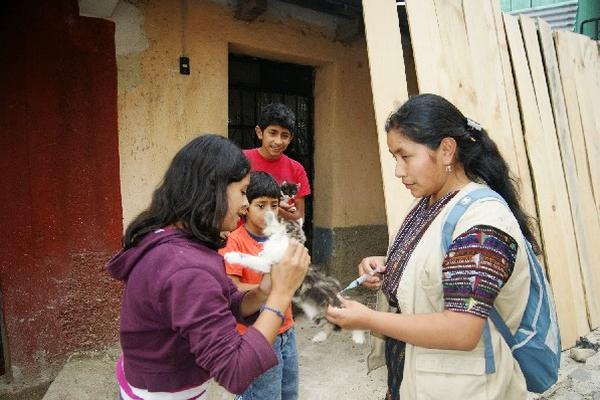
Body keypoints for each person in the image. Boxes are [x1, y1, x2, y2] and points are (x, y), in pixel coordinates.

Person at [326, 93, 538, 400]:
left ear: (447, 150)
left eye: (406, 156)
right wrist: (391, 265)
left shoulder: (483, 221)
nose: (398, 171)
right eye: (394, 158)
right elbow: (439, 263)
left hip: (464, 388)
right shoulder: (431, 202)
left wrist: (367, 318)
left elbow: (462, 330)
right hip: (414, 377)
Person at [106, 134, 310, 400]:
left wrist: (265, 290)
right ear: (212, 190)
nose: (245, 204)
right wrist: (282, 294)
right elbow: (236, 370)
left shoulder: (180, 242)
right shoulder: (185, 268)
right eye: (242, 192)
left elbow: (229, 301)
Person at [219, 171, 299, 400]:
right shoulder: (235, 240)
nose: (269, 213)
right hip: (255, 334)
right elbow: (231, 289)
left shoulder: (280, 237)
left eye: (274, 206)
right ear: (246, 207)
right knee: (262, 395)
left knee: (289, 392)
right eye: (261, 205)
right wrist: (268, 289)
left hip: (287, 329)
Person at [244, 103, 311, 222]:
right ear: (260, 132)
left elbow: (300, 217)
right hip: (242, 238)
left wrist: (276, 209)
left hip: (280, 238)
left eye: (284, 135)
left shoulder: (297, 169)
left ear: (290, 138)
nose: (278, 141)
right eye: (273, 133)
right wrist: (274, 207)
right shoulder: (241, 160)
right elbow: (229, 203)